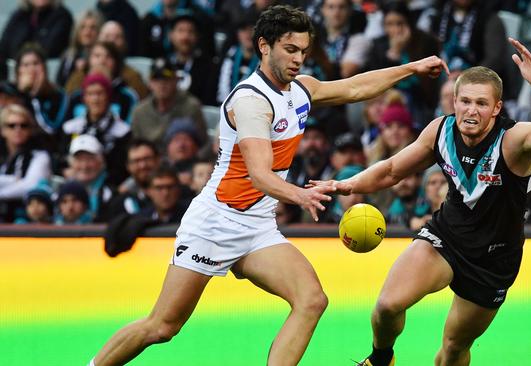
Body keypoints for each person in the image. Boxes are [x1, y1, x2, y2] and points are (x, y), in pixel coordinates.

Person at [87, 5, 448, 366]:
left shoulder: (300, 89)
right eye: (290, 50)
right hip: (216, 223)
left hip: (257, 226)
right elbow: (260, 174)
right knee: (162, 327)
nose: (298, 60)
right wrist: (301, 194)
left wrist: (410, 67)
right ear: (264, 46)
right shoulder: (250, 102)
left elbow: (354, 87)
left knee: (311, 299)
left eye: (304, 51)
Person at [312, 38, 531, 366]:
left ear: (496, 108)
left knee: (452, 351)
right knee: (386, 307)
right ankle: (381, 359)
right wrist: (345, 184)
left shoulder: (515, 140)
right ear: (454, 101)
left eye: (482, 103)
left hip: (493, 261)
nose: (471, 110)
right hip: (446, 238)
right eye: (465, 101)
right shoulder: (441, 130)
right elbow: (392, 170)